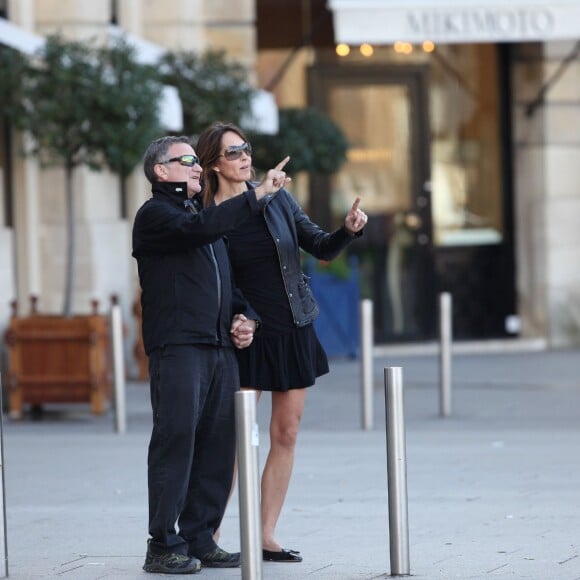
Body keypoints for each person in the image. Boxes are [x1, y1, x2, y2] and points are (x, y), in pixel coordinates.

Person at [196, 122, 367, 563]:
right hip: (242, 334)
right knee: (231, 437)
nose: (245, 158)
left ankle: (266, 534)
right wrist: (237, 316)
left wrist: (348, 229)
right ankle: (206, 534)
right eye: (234, 153)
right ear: (214, 163)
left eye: (246, 149)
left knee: (286, 433)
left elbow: (320, 247)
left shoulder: (279, 199)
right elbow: (210, 277)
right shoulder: (206, 215)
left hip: (291, 327)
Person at [132, 135, 290, 574]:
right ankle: (163, 544)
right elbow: (198, 231)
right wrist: (257, 196)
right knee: (176, 441)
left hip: (219, 348)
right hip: (179, 347)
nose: (197, 167)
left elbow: (229, 283)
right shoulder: (157, 216)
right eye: (186, 161)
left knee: (219, 447)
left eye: (196, 162)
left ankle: (201, 537)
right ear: (160, 171)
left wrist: (246, 316)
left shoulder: (198, 216)